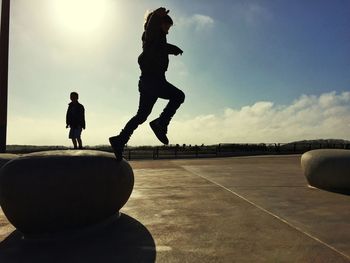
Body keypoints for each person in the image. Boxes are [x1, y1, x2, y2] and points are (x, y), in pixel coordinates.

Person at [109, 7, 185, 161]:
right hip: (153, 81)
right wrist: (157, 15)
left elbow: (160, 48)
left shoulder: (157, 39)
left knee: (141, 116)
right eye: (167, 27)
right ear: (160, 24)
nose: (168, 31)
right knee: (178, 96)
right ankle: (161, 123)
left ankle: (120, 140)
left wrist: (173, 49)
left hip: (148, 83)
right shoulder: (151, 34)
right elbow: (152, 30)